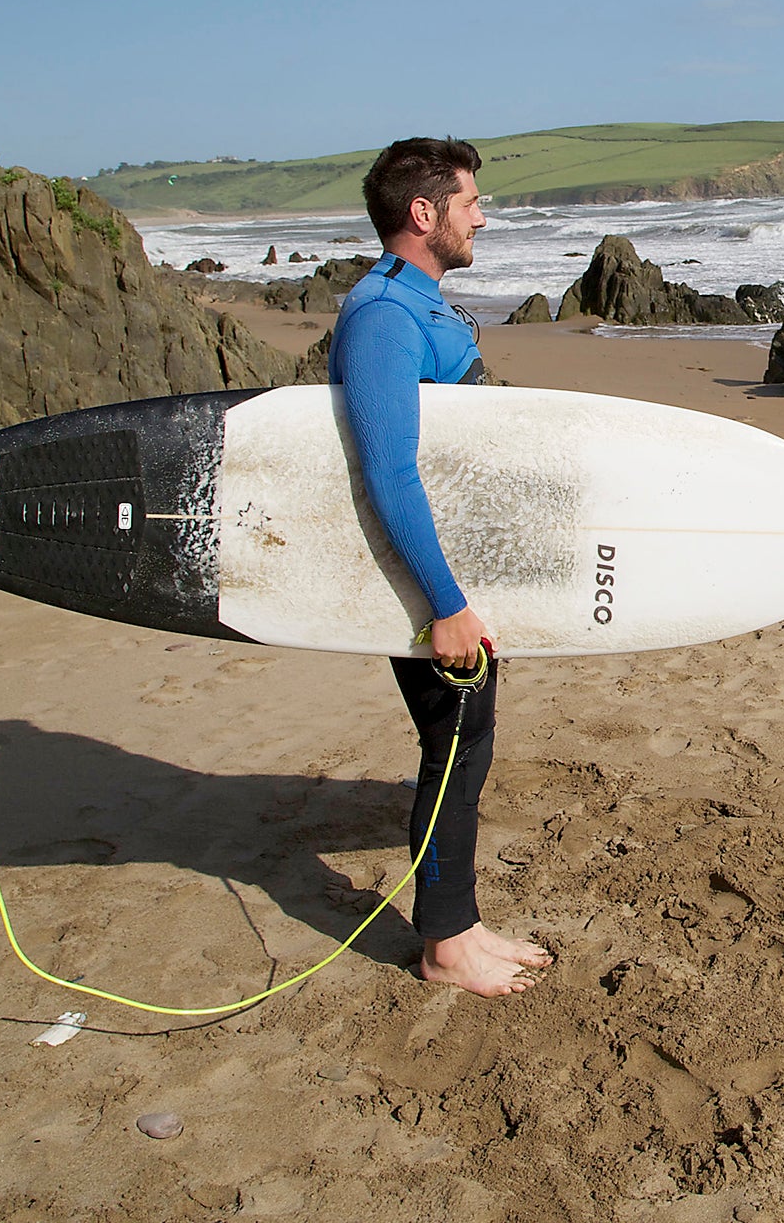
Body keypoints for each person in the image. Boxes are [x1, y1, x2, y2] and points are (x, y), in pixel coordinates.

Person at [329, 136, 552, 997]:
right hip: (418, 575)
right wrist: (446, 602)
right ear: (423, 215)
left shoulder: (421, 303)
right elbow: (389, 470)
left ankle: (457, 925)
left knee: (467, 733)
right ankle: (445, 944)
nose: (481, 217)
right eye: (468, 203)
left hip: (448, 564)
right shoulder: (383, 315)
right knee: (456, 735)